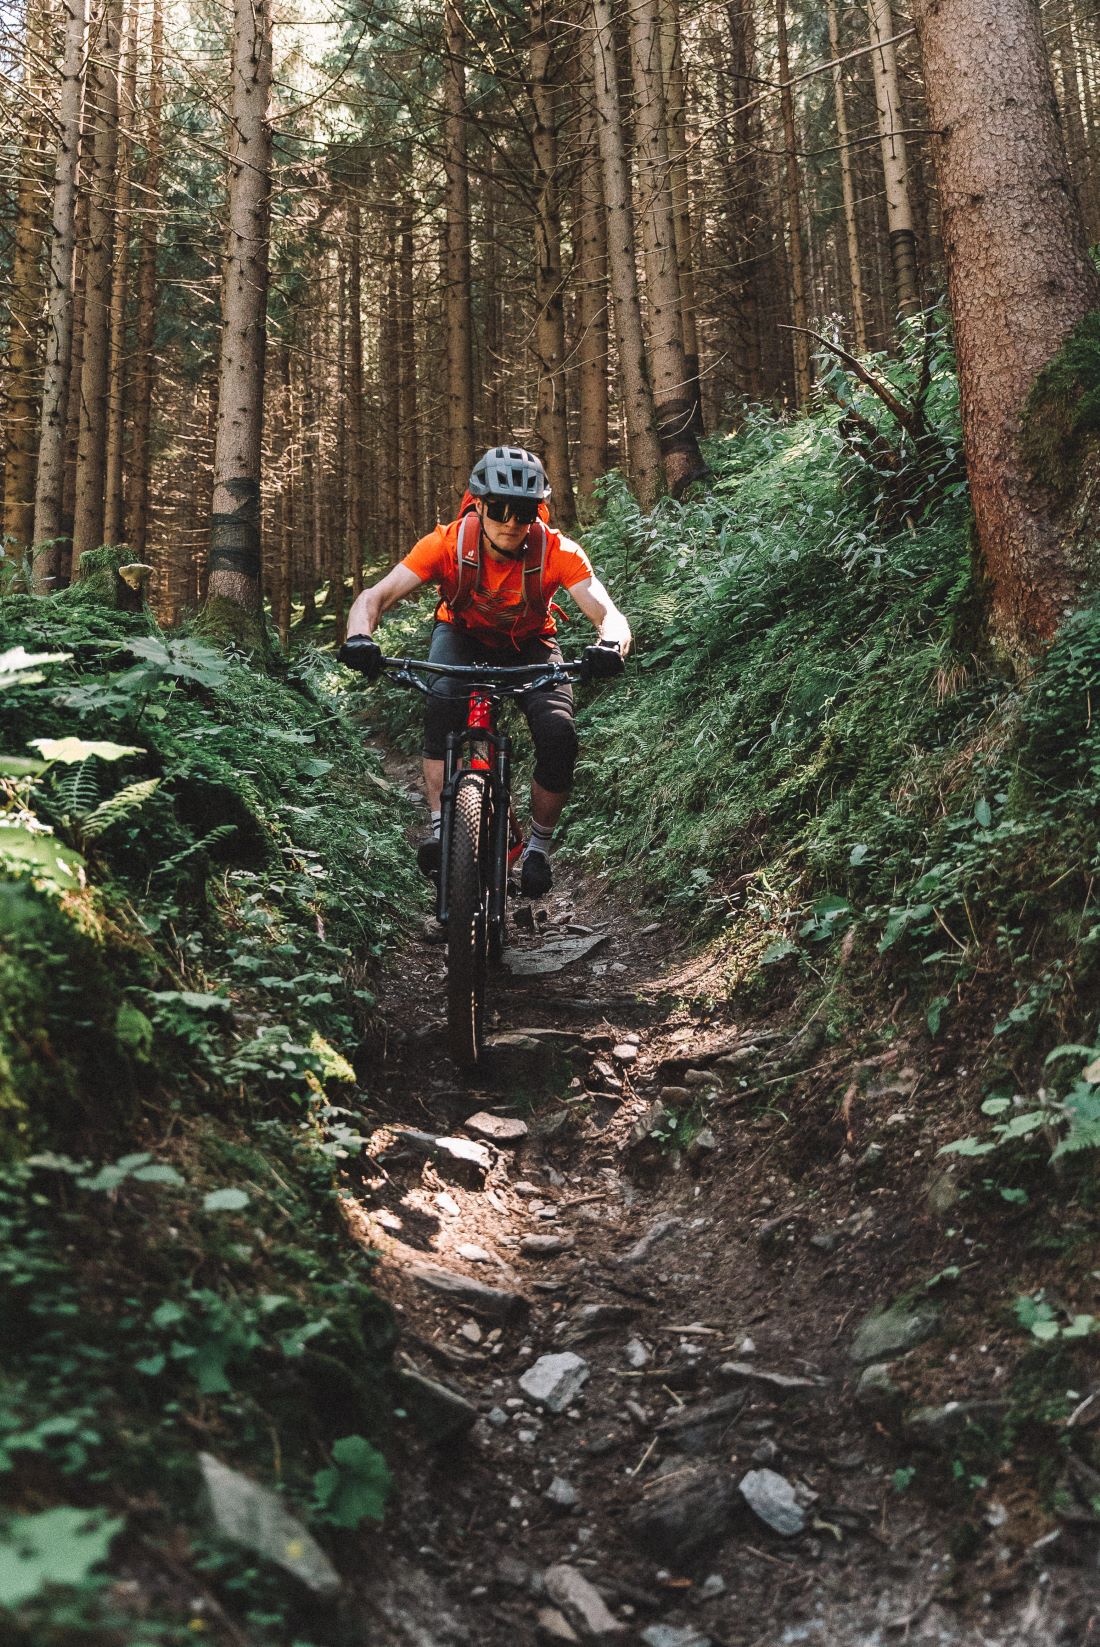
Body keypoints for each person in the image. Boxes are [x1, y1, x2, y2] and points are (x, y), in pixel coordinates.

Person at [343, 445, 632, 897]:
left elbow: (608, 613)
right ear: (478, 504)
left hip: (530, 645)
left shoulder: (557, 550)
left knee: (558, 734)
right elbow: (374, 597)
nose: (512, 522)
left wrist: (611, 645)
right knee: (443, 703)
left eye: (524, 512)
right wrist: (360, 637)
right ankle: (442, 828)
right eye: (499, 508)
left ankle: (538, 846)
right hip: (461, 636)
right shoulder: (447, 543)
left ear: (537, 512)